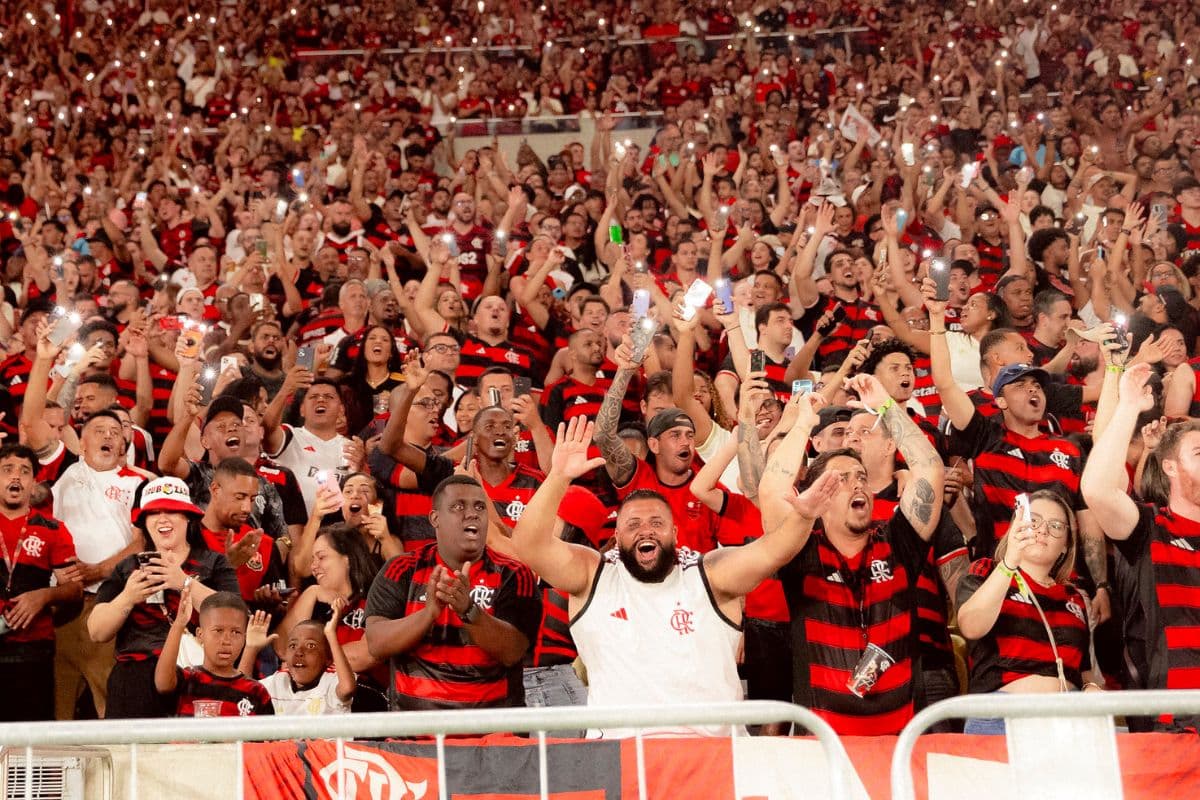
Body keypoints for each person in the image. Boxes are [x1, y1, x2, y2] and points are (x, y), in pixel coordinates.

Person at [512, 416, 833, 737]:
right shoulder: (592, 575)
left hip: (711, 759)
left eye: (656, 522)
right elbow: (528, 545)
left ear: (675, 533)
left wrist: (803, 518)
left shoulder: (710, 574)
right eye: (633, 524)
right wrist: (558, 477)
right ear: (617, 536)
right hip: (623, 760)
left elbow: (773, 550)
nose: (645, 530)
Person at [760, 374, 945, 735]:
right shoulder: (802, 552)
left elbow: (930, 469)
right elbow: (771, 490)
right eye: (841, 479)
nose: (857, 483)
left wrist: (887, 407)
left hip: (899, 743)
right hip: (825, 747)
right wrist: (802, 425)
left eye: (860, 476)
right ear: (818, 494)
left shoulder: (897, 543)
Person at [1082, 363, 1200, 730]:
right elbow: (1098, 490)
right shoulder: (1150, 527)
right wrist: (1128, 407)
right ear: (1169, 468)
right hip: (1179, 723)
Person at [365, 475, 543, 710]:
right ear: (435, 518)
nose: (472, 513)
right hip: (415, 737)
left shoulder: (514, 573)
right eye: (458, 506)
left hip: (495, 734)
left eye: (480, 506)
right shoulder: (402, 569)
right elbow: (377, 644)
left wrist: (469, 611)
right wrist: (428, 613)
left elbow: (513, 651)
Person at [88, 477, 239, 718]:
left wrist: (183, 582)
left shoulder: (214, 562)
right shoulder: (127, 568)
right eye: (154, 512)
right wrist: (127, 597)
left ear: (188, 518)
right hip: (134, 680)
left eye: (172, 511)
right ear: (144, 522)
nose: (163, 519)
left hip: (196, 676)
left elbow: (235, 615)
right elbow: (97, 632)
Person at [958, 490, 1100, 734]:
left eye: (1056, 526)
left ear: (1066, 545)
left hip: (1068, 721)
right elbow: (971, 626)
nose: (1042, 530)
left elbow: (1084, 671)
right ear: (1016, 526)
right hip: (1001, 717)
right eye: (1033, 521)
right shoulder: (986, 570)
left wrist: (1092, 687)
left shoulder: (1075, 598)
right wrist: (1009, 563)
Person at [0, 444, 83, 721]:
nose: (15, 477)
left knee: (30, 744)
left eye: (24, 472)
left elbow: (74, 592)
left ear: (33, 482)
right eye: (7, 470)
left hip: (33, 653)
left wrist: (44, 597)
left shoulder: (53, 529)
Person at [154, 588, 274, 717]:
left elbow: (267, 736)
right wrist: (179, 624)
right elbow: (163, 684)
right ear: (200, 635)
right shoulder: (188, 679)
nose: (226, 640)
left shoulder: (257, 692)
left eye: (235, 632)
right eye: (218, 631)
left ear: (244, 637)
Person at [241, 607, 355, 716]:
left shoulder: (332, 680)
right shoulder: (279, 680)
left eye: (310, 646)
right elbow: (241, 693)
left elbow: (347, 688)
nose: (299, 652)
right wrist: (251, 649)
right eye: (293, 645)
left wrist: (331, 635)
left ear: (329, 658)